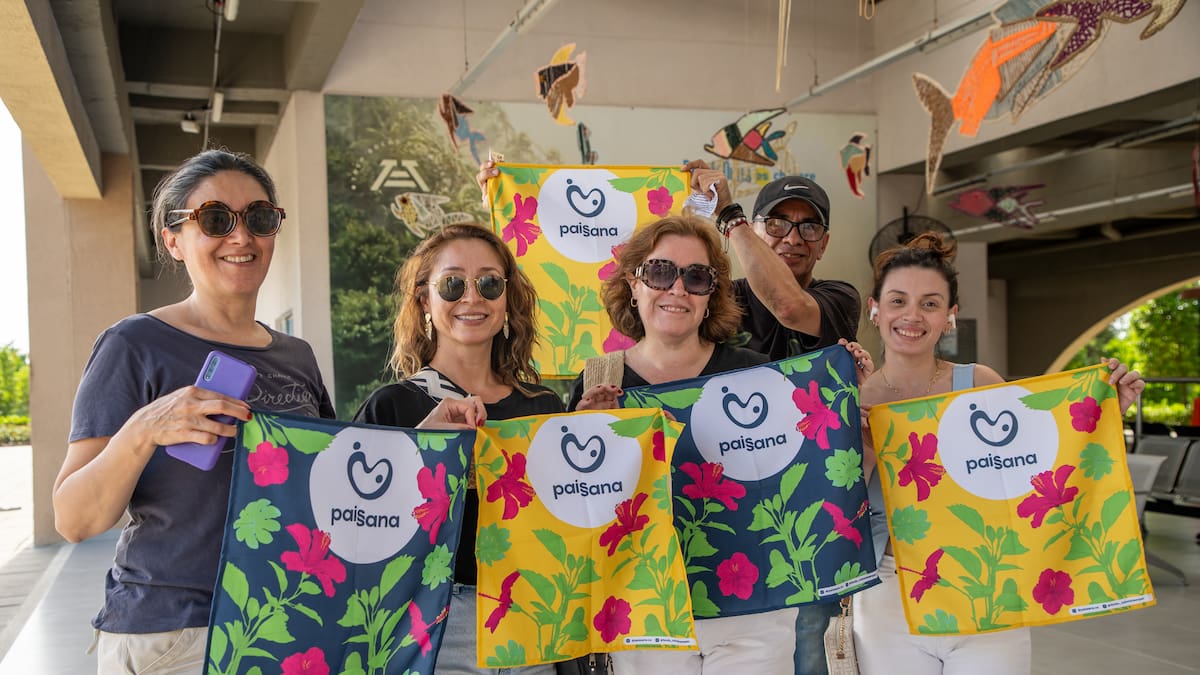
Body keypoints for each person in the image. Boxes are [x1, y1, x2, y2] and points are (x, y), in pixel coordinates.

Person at [51, 150, 342, 674]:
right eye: (215, 219)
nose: (241, 236)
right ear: (174, 241)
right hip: (175, 635)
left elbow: (327, 485)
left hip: (284, 624)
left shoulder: (297, 356)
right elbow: (74, 519)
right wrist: (145, 428)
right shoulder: (134, 344)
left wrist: (426, 439)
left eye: (259, 218)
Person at [854, 233, 1146, 675]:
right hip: (889, 593)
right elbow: (835, 512)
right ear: (875, 309)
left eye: (930, 303)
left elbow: (1040, 467)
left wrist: (1103, 415)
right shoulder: (851, 398)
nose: (912, 315)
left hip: (989, 582)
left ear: (950, 316)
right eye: (898, 301)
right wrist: (867, 449)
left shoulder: (981, 384)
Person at [569, 215, 804, 674]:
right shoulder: (598, 379)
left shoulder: (756, 374)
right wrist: (584, 437)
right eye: (660, 272)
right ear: (633, 284)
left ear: (711, 294)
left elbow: (791, 478)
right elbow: (580, 510)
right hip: (644, 601)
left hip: (753, 608)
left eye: (696, 277)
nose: (677, 289)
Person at [354, 223, 563, 675]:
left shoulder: (544, 407)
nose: (472, 298)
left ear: (506, 300)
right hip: (433, 625)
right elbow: (356, 532)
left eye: (489, 283)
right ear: (424, 301)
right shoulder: (391, 407)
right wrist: (423, 446)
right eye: (452, 284)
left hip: (534, 619)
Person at [686, 163, 866, 674]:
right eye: (778, 222)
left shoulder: (838, 298)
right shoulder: (722, 301)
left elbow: (789, 306)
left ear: (824, 243)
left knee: (807, 646)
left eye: (808, 226)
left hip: (811, 507)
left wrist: (729, 215)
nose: (792, 237)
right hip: (729, 503)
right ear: (760, 229)